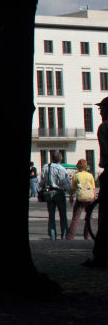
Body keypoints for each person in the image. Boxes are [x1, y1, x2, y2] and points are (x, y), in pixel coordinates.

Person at [84, 96, 108, 267]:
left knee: (105, 218)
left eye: (102, 109)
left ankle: (99, 257)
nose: (99, 112)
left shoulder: (104, 127)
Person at [42, 151, 71, 240]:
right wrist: (70, 192)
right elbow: (66, 184)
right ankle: (64, 234)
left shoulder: (46, 167)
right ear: (60, 158)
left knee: (51, 215)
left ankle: (52, 235)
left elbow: (43, 181)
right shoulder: (62, 169)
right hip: (59, 192)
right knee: (62, 215)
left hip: (50, 192)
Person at [67, 158, 96, 240]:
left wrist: (71, 197)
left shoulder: (76, 175)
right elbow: (93, 188)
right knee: (89, 217)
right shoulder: (90, 175)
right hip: (90, 198)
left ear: (78, 166)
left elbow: (72, 189)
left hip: (80, 198)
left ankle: (71, 236)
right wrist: (93, 198)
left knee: (76, 218)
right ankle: (87, 235)